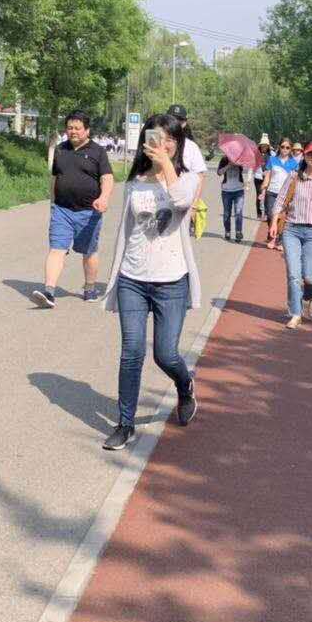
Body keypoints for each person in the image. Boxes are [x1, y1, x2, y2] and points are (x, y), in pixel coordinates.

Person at [99, 115, 202, 452]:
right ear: (146, 139)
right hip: (133, 279)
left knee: (165, 354)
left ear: (178, 143)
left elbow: (181, 202)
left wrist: (166, 166)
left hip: (171, 282)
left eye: (171, 138)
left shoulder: (187, 178)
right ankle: (125, 423)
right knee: (131, 352)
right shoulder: (135, 182)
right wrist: (116, 276)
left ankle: (185, 386)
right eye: (158, 136)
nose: (164, 143)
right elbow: (127, 231)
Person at [36, 111, 114, 307]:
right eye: (70, 128)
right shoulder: (60, 150)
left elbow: (107, 178)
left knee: (89, 252)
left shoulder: (98, 151)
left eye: (77, 128)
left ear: (87, 130)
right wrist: (52, 203)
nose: (73, 131)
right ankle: (49, 292)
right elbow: (55, 178)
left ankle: (89, 287)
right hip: (62, 210)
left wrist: (104, 198)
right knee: (57, 249)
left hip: (89, 212)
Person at [270, 143, 312, 328]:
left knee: (309, 275)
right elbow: (281, 200)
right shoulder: (294, 176)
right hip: (291, 229)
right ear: (304, 156)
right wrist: (274, 222)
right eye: (310, 154)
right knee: (293, 275)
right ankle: (295, 313)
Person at [261, 138, 297, 249]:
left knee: (282, 217)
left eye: (287, 147)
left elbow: (295, 180)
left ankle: (279, 240)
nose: (285, 149)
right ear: (279, 147)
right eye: (283, 147)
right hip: (272, 192)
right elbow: (267, 176)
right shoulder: (272, 160)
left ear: (290, 149)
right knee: (271, 214)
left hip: (285, 194)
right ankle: (273, 236)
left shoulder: (294, 163)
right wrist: (263, 190)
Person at [166, 104, 207, 201]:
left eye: (179, 120)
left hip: (183, 201)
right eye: (172, 119)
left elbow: (200, 176)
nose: (175, 123)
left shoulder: (191, 147)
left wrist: (194, 204)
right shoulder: (158, 143)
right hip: (160, 199)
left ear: (184, 123)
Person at [217, 153, 248, 242]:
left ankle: (238, 232)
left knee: (238, 212)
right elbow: (219, 173)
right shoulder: (224, 159)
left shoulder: (241, 159)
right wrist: (229, 165)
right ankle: (227, 231)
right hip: (226, 191)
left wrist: (238, 163)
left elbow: (246, 169)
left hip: (239, 190)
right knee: (227, 213)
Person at [253, 134, 271, 217]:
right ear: (260, 146)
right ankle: (259, 213)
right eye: (263, 145)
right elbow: (252, 167)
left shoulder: (271, 155)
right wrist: (248, 180)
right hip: (258, 177)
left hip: (267, 178)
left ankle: (267, 212)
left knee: (267, 195)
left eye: (266, 146)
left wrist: (267, 172)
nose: (264, 147)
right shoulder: (256, 154)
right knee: (259, 195)